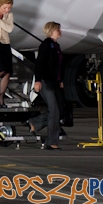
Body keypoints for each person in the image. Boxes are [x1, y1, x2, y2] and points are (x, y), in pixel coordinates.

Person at [29, 21, 65, 150]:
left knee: (59, 109)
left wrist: (60, 79)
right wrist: (38, 80)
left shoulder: (56, 46)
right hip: (45, 81)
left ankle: (35, 122)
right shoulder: (46, 45)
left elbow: (58, 66)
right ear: (51, 31)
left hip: (54, 81)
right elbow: (40, 64)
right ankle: (51, 142)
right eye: (57, 29)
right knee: (54, 110)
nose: (60, 31)